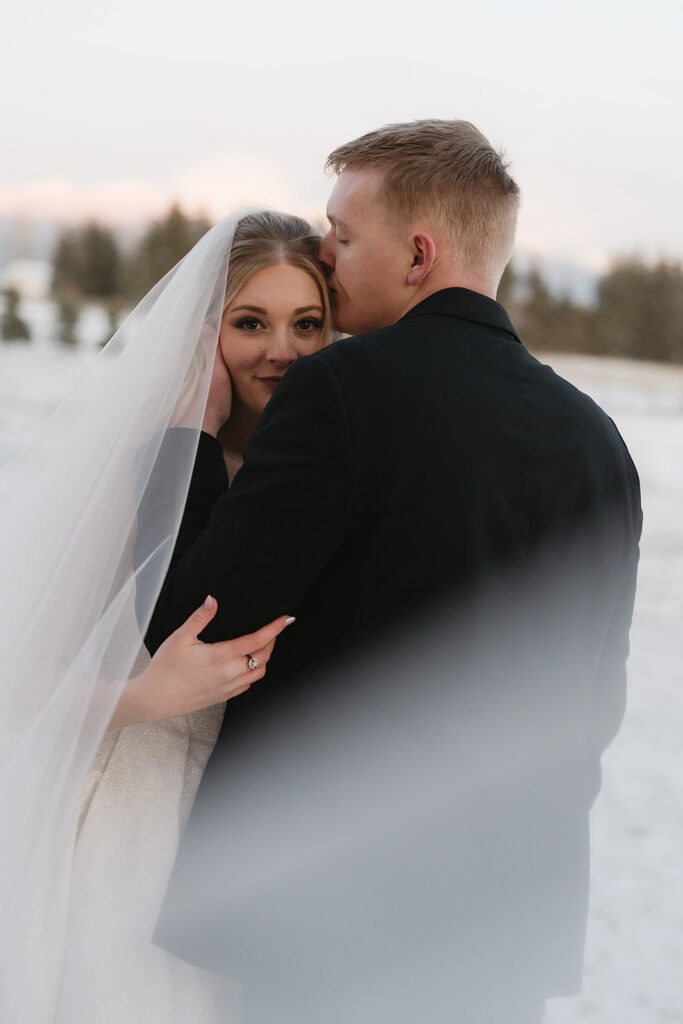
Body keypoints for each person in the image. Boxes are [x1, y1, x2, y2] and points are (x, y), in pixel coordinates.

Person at [145, 121, 642, 1024]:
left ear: (417, 253)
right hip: (505, 930)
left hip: (334, 926)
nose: (327, 257)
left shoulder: (339, 390)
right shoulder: (596, 441)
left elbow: (195, 622)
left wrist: (188, 440)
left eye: (342, 235)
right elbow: (594, 705)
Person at [0, 211, 334, 1024]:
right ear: (202, 331)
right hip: (132, 820)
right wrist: (147, 697)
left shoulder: (316, 468)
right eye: (250, 322)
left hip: (251, 842)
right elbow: (20, 678)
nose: (280, 350)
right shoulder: (144, 460)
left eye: (306, 323)